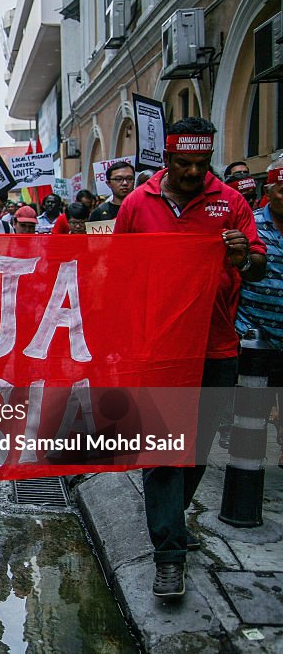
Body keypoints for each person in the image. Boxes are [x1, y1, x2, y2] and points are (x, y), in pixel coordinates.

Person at [115, 117, 266, 598]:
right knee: (163, 452)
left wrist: (243, 255)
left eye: (202, 164)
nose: (193, 173)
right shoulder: (138, 205)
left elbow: (258, 266)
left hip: (216, 346)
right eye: (184, 163)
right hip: (158, 348)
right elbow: (116, 271)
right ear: (167, 160)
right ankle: (170, 556)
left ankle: (171, 524)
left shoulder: (232, 202)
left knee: (198, 446)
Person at [234, 160, 283, 467]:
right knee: (250, 415)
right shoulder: (251, 225)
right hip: (254, 337)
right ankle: (244, 471)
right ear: (269, 190)